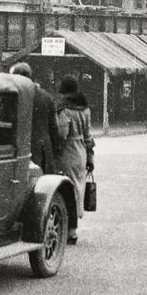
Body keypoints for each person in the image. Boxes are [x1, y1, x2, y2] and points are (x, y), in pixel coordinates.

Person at [54, 74, 95, 245]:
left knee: (65, 192)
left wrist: (55, 149)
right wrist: (90, 158)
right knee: (77, 191)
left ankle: (68, 230)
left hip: (67, 154)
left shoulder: (64, 109)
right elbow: (88, 137)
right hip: (81, 154)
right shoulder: (85, 109)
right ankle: (73, 230)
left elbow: (61, 134)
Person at [9, 62, 60, 174]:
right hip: (43, 149)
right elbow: (53, 127)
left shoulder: (13, 96)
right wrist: (55, 149)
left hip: (21, 150)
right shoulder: (45, 96)